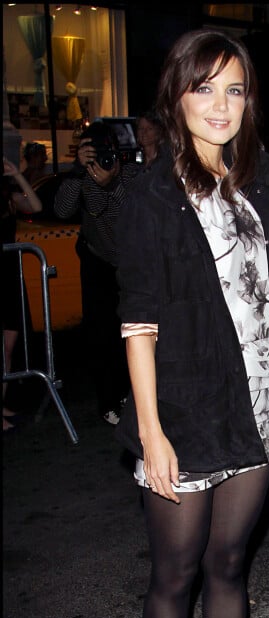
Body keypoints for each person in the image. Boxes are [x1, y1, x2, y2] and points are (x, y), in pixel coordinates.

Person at [114, 29, 269, 618]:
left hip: (253, 408)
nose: (220, 105)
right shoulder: (150, 194)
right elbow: (139, 327)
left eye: (236, 89)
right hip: (183, 415)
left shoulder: (256, 183)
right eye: (204, 87)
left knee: (229, 565)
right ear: (176, 94)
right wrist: (151, 434)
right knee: (176, 574)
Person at [54, 120, 142, 425]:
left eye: (107, 149)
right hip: (97, 263)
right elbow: (62, 210)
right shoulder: (80, 175)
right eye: (94, 150)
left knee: (134, 334)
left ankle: (134, 396)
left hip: (132, 265)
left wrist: (111, 185)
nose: (103, 156)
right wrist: (77, 171)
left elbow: (137, 211)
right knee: (101, 335)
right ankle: (108, 401)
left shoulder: (129, 172)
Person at [2, 157, 42, 433]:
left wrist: (17, 174)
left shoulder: (9, 198)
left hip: (9, 277)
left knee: (8, 347)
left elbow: (36, 206)